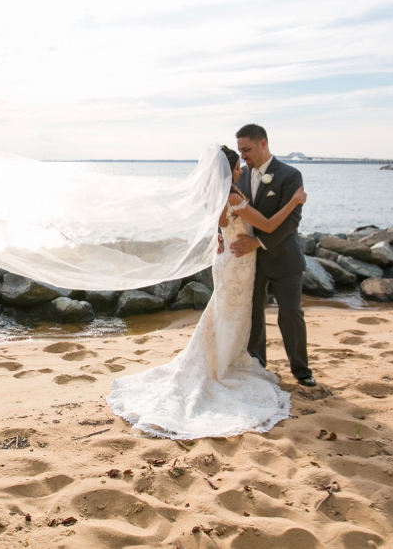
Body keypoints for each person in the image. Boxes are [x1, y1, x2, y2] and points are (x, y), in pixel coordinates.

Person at [107, 146, 307, 439]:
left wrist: (218, 234)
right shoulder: (233, 196)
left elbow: (220, 223)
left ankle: (223, 359)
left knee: (225, 314)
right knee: (230, 314)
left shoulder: (214, 196)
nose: (240, 171)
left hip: (229, 262)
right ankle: (222, 366)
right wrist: (294, 201)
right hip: (238, 264)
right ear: (227, 171)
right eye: (236, 167)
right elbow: (265, 224)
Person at [228, 124, 315, 387]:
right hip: (250, 263)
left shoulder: (290, 175)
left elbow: (291, 221)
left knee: (290, 314)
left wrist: (258, 243)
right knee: (253, 314)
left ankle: (301, 370)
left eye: (247, 149)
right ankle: (257, 366)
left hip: (285, 259)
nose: (243, 156)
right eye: (240, 150)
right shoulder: (241, 176)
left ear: (263, 144)